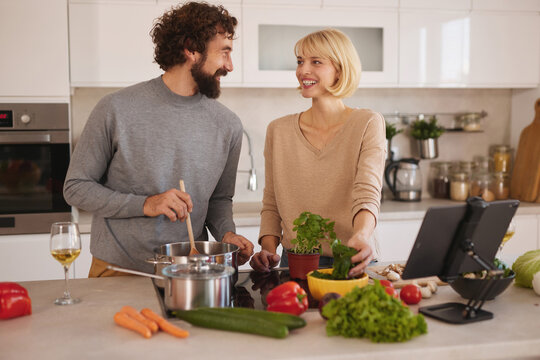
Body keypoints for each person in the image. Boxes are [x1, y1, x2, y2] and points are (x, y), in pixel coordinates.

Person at [64, 2, 254, 277]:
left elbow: (219, 199)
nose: (230, 66)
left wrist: (227, 233)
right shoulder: (116, 108)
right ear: (191, 49)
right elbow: (76, 187)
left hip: (190, 273)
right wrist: (146, 204)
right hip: (118, 270)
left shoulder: (228, 124)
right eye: (224, 52)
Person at [249, 29, 386, 277]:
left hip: (351, 260)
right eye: (300, 61)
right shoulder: (278, 130)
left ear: (340, 70)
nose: (303, 71)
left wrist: (362, 235)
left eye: (316, 62)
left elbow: (368, 192)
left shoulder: (367, 123)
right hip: (296, 263)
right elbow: (272, 202)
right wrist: (268, 249)